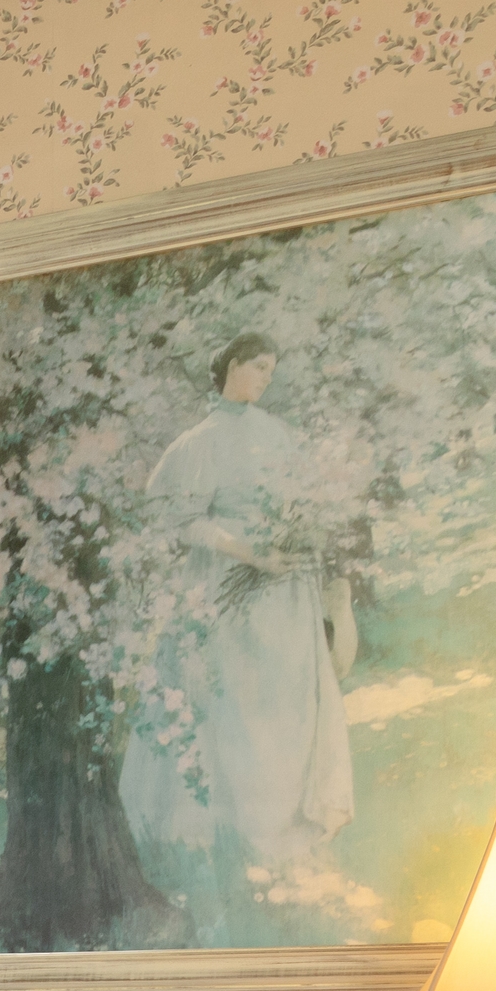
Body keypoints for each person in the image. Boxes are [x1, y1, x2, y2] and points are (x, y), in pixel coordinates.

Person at [120, 331, 359, 877]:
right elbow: (184, 522)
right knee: (231, 701)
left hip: (284, 589)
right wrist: (249, 552)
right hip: (224, 585)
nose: (265, 378)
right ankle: (225, 829)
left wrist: (295, 543)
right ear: (230, 365)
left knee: (285, 699)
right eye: (258, 367)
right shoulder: (196, 444)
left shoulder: (279, 436)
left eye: (272, 371)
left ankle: (285, 827)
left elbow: (302, 502)